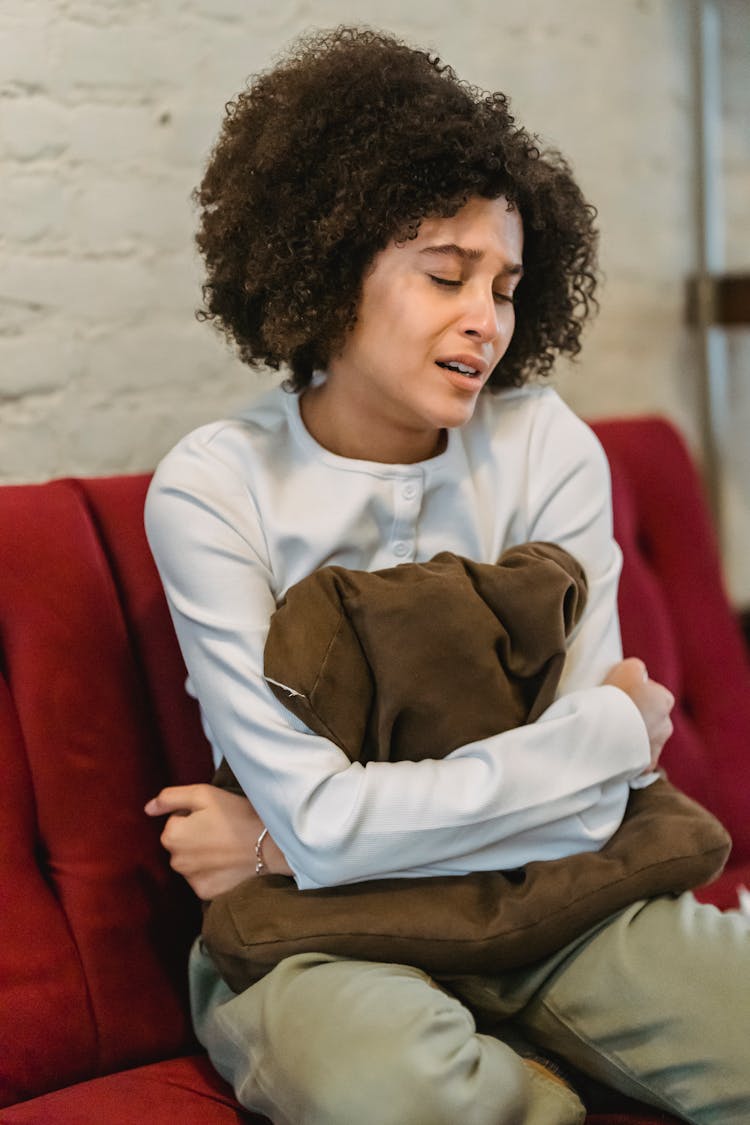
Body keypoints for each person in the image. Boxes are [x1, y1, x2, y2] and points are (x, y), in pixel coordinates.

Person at [143, 27, 748, 1125]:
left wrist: (277, 843)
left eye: (507, 286)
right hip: (312, 939)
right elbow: (575, 766)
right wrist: (604, 736)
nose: (489, 319)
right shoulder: (213, 490)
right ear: (330, 273)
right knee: (402, 1088)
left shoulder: (546, 445)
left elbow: (589, 819)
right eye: (445, 275)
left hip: (562, 902)